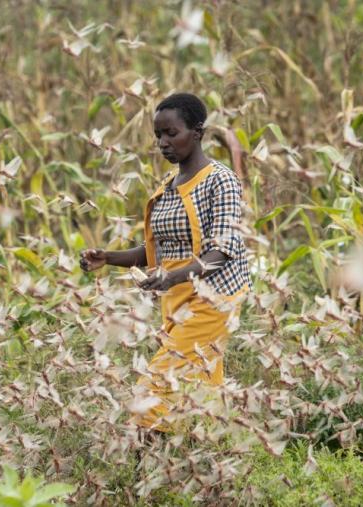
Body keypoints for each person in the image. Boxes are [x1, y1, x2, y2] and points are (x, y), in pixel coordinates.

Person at [79, 92, 250, 433]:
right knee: (197, 395)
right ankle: (207, 472)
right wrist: (108, 257)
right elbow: (158, 250)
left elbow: (222, 249)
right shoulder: (168, 186)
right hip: (178, 301)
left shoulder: (221, 180)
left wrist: (171, 278)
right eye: (158, 135)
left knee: (153, 390)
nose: (163, 143)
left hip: (213, 300)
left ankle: (145, 477)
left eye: (172, 133)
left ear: (197, 133)